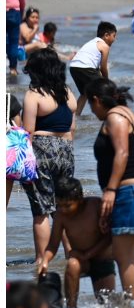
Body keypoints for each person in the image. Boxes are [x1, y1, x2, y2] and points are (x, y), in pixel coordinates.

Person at [85, 79, 134, 303]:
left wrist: (111, 190)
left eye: (91, 106)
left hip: (128, 192)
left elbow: (122, 154)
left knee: (124, 258)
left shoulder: (115, 117)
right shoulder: (125, 113)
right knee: (129, 258)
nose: (92, 111)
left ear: (96, 100)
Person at [22, 50, 77, 264]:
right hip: (66, 150)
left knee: (41, 209)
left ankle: (41, 260)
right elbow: (72, 128)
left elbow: (28, 132)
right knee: (62, 207)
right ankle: (70, 255)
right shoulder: (67, 93)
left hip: (41, 150)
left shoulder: (34, 94)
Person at [36, 177, 116, 308]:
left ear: (80, 199)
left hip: (102, 259)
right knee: (72, 264)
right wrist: (45, 260)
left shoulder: (96, 205)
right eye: (59, 205)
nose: (63, 209)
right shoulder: (61, 216)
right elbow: (53, 245)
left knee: (107, 305)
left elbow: (109, 237)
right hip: (80, 260)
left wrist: (88, 254)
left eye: (68, 205)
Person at [69, 21, 117, 117]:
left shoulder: (92, 42)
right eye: (114, 36)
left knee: (84, 93)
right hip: (86, 67)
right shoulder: (105, 46)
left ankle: (75, 116)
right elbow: (103, 67)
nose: (114, 39)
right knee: (104, 91)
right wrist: (106, 81)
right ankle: (111, 114)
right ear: (106, 35)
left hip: (74, 67)